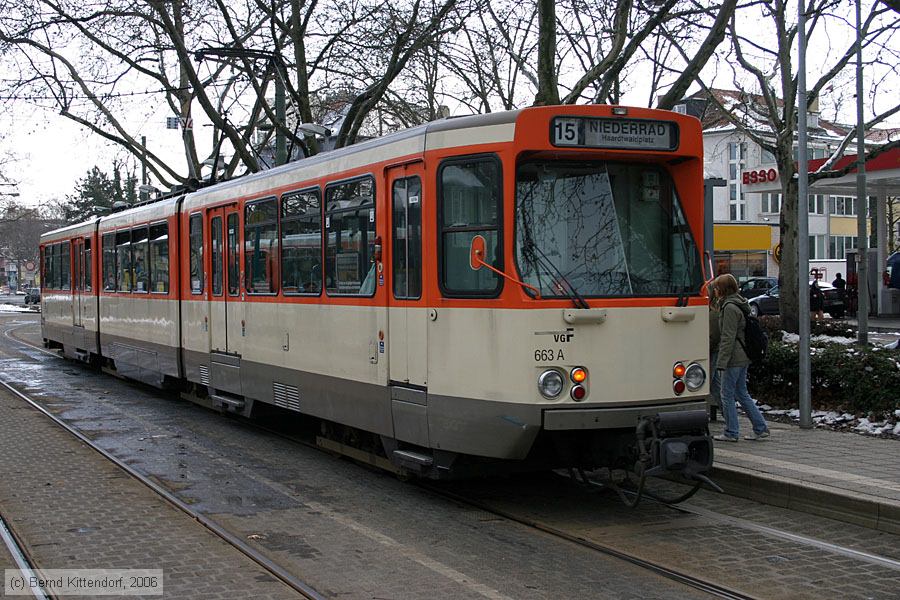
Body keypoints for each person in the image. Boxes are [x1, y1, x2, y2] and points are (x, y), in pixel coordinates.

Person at [710, 273, 770, 442]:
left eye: (716, 288)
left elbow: (728, 337)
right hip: (744, 355)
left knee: (726, 395)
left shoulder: (729, 308)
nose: (714, 291)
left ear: (722, 289)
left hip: (734, 357)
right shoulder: (739, 303)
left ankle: (731, 431)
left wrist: (721, 362)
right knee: (742, 393)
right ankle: (760, 428)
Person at [708, 291, 721, 422]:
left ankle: (728, 413)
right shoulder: (713, 313)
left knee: (709, 381)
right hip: (713, 350)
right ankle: (726, 411)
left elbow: (714, 337)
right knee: (715, 384)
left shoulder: (712, 315)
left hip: (711, 351)